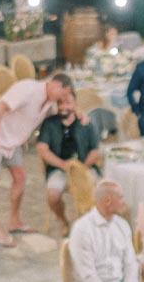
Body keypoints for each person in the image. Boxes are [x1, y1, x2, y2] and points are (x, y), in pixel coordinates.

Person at [0, 71, 73, 247]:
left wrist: (77, 113)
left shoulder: (49, 101)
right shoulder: (27, 89)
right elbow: (0, 107)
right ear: (55, 85)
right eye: (62, 94)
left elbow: (54, 119)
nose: (62, 99)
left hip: (12, 141)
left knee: (20, 176)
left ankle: (14, 221)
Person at [35, 83, 102, 233]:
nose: (63, 106)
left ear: (75, 104)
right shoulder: (49, 123)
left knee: (100, 190)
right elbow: (42, 150)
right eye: (60, 103)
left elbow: (95, 150)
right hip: (60, 169)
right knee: (52, 196)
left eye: (68, 103)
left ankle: (92, 223)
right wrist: (63, 165)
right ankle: (63, 220)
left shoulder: (85, 122)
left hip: (84, 167)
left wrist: (82, 167)